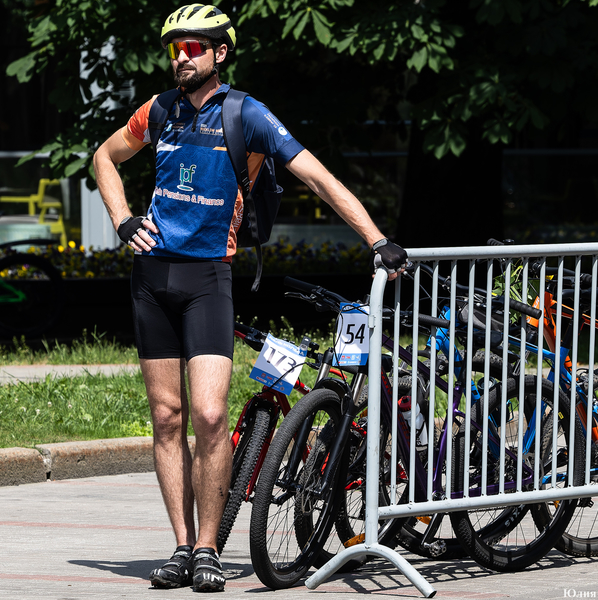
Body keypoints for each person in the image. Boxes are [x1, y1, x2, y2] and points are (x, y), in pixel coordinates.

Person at [92, 4, 408, 593]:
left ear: (220, 53)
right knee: (167, 417)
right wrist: (121, 219)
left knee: (209, 415)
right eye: (175, 48)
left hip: (209, 279)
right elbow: (104, 157)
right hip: (151, 278)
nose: (182, 57)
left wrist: (377, 239)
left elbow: (317, 176)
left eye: (193, 47)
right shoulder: (158, 111)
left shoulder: (247, 114)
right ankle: (182, 547)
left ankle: (210, 549)